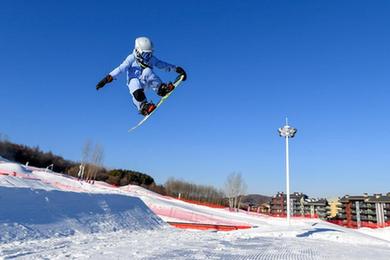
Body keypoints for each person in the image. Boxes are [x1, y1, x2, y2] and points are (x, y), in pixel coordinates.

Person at [96, 36, 187, 116]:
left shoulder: (150, 59)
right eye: (145, 54)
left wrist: (176, 69)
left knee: (147, 71)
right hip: (135, 87)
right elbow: (121, 68)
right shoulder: (131, 58)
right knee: (134, 81)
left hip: (145, 82)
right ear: (138, 51)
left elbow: (161, 64)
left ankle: (161, 89)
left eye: (150, 54)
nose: (148, 57)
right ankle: (143, 106)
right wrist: (107, 78)